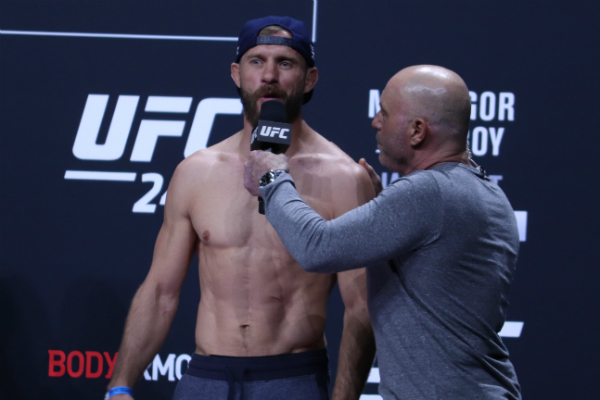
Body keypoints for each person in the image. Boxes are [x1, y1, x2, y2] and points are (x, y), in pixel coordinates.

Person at [105, 16, 376, 400]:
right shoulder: (196, 172)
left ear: (309, 79)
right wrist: (120, 385)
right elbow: (160, 291)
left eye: (285, 63)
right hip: (205, 379)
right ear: (237, 73)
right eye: (256, 61)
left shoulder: (343, 178)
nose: (269, 75)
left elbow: (361, 307)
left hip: (290, 379)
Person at [244, 65, 522, 399]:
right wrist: (382, 211)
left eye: (385, 113)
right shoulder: (485, 192)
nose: (376, 122)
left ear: (417, 131)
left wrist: (272, 179)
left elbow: (316, 247)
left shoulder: (429, 193)